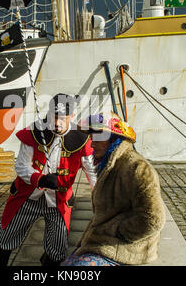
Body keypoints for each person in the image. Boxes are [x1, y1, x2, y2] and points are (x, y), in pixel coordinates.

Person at [0, 93, 97, 266]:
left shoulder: (81, 139)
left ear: (73, 116)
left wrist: (99, 195)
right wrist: (42, 179)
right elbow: (21, 166)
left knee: (57, 249)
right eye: (54, 116)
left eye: (62, 118)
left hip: (59, 202)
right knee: (5, 240)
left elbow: (92, 172)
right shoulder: (35, 131)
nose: (57, 123)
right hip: (28, 198)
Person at [61, 112, 166, 266]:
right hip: (106, 241)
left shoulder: (138, 168)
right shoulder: (111, 165)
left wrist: (116, 231)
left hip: (128, 249)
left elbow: (153, 219)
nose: (91, 144)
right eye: (91, 138)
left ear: (113, 139)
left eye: (96, 138)